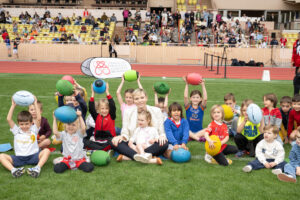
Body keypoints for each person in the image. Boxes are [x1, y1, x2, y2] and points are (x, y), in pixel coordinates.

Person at [111, 88, 168, 163]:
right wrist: (122, 136)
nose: (140, 100)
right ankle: (146, 157)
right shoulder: (128, 112)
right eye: (137, 99)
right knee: (114, 142)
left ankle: (132, 156)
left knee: (164, 144)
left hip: (150, 143)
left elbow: (161, 129)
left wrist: (162, 136)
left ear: (146, 98)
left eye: (142, 98)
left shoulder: (156, 110)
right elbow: (125, 130)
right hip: (134, 143)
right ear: (134, 100)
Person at [0, 98, 50, 178]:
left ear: (31, 123)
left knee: (46, 151)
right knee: (1, 156)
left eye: (27, 124)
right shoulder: (16, 131)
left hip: (33, 156)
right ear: (18, 124)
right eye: (22, 124)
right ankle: (14, 170)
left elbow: (39, 118)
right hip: (19, 158)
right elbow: (9, 119)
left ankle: (37, 168)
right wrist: (13, 105)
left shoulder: (34, 130)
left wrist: (35, 103)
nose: (24, 126)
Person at [83, 83, 116, 151]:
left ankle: (100, 149)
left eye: (106, 108)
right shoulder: (97, 116)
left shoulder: (111, 116)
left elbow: (112, 105)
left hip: (108, 140)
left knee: (112, 144)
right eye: (102, 108)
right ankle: (101, 149)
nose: (104, 111)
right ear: (98, 109)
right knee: (83, 141)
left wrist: (107, 92)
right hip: (97, 139)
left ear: (109, 109)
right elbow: (91, 108)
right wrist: (93, 93)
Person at [183, 77, 207, 141]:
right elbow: (185, 97)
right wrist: (187, 84)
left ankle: (192, 137)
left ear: (200, 99)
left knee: (208, 129)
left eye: (197, 97)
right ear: (190, 98)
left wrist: (203, 85)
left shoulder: (201, 107)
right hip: (189, 131)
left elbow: (205, 99)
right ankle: (198, 138)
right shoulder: (188, 107)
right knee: (184, 128)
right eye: (193, 97)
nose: (195, 99)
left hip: (199, 131)